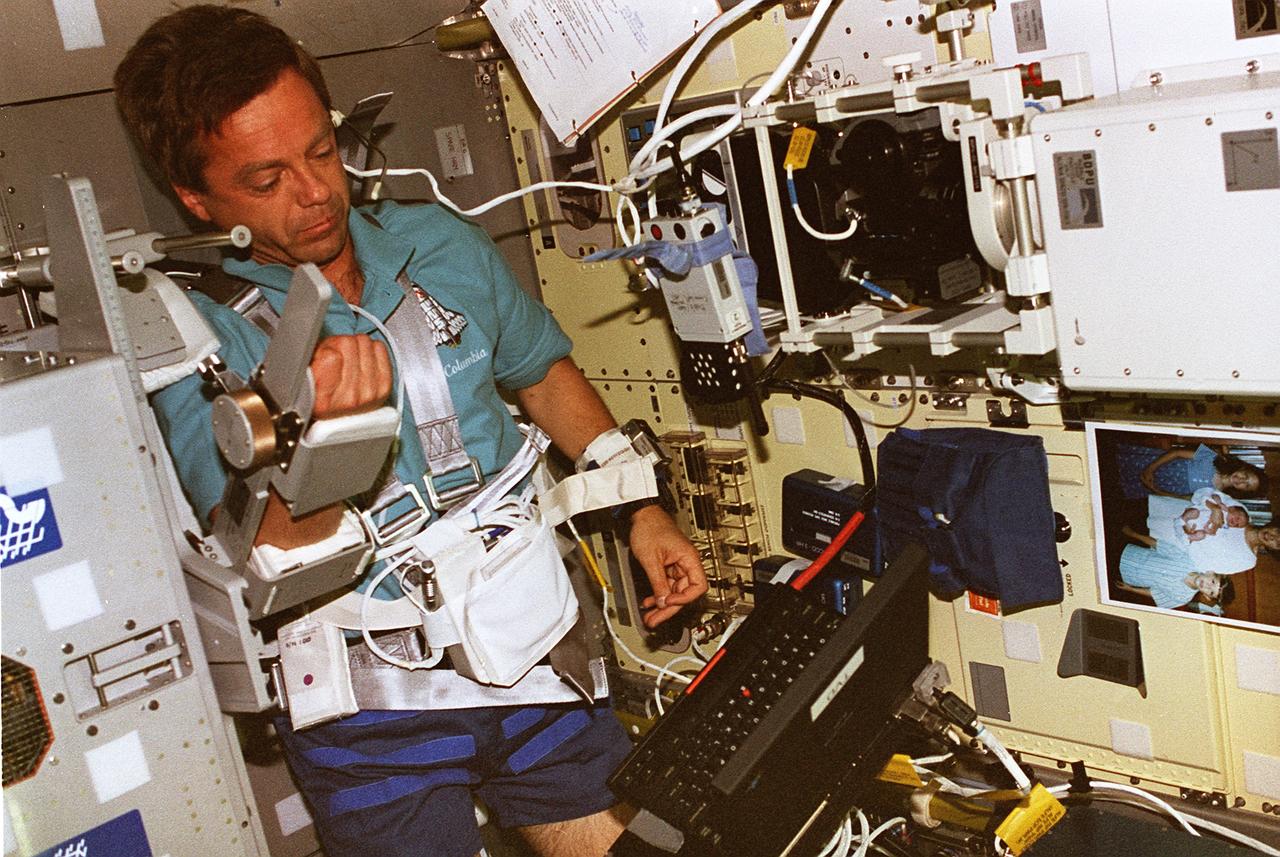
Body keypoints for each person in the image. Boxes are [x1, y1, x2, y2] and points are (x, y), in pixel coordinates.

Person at [113, 8, 706, 857]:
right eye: (267, 178)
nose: (316, 192)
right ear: (198, 197)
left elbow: (539, 372)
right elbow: (271, 552)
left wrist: (637, 505)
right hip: (372, 710)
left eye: (320, 151)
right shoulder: (197, 345)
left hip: (535, 653)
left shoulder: (437, 242)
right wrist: (328, 440)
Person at [1114, 440, 1267, 500]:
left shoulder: (1217, 496)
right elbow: (1177, 453)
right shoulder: (1216, 458)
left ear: (1243, 491)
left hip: (1155, 486)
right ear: (1243, 467)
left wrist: (1156, 490)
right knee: (1112, 464)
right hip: (1155, 463)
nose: (1240, 480)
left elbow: (1184, 498)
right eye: (1245, 476)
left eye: (1246, 485)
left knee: (1112, 485)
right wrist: (1150, 468)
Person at [1115, 553, 1235, 614]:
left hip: (1129, 574)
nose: (1208, 586)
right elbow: (1158, 545)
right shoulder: (1189, 559)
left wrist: (1130, 589)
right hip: (1131, 553)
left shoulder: (1182, 598)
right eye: (1213, 582)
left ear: (1207, 597)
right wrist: (1133, 534)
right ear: (1211, 572)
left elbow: (1154, 593)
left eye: (1212, 591)